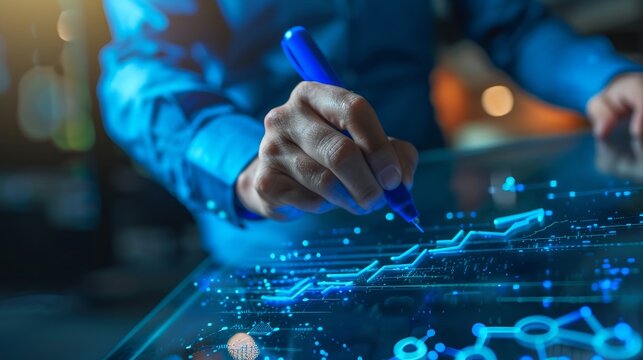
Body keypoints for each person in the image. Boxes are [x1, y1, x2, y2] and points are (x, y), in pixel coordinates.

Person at [98, 0, 643, 260]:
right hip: (280, 247)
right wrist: (243, 164)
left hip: (433, 214)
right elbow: (138, 71)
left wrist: (602, 79)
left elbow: (507, 19)